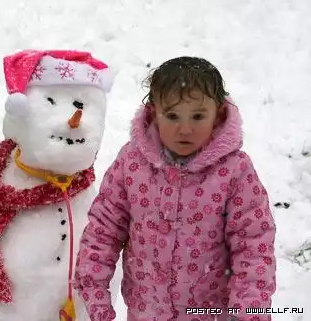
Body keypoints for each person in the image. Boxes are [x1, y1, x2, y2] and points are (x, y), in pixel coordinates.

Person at [74, 56, 276, 321]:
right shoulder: (132, 163)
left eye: (198, 116)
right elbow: (104, 229)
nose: (185, 129)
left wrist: (248, 311)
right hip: (146, 311)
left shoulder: (234, 171)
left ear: (218, 114)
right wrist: (94, 287)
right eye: (172, 116)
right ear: (153, 112)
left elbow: (253, 244)